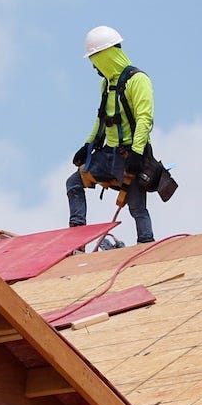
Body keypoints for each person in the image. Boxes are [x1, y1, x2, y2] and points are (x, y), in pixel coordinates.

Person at [67, 25, 156, 243]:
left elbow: (145, 118)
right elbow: (101, 119)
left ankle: (146, 245)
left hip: (129, 157)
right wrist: (87, 147)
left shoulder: (138, 80)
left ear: (105, 56)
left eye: (94, 59)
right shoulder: (106, 85)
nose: (94, 66)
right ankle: (76, 238)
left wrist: (136, 153)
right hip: (107, 156)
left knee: (137, 208)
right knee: (74, 183)